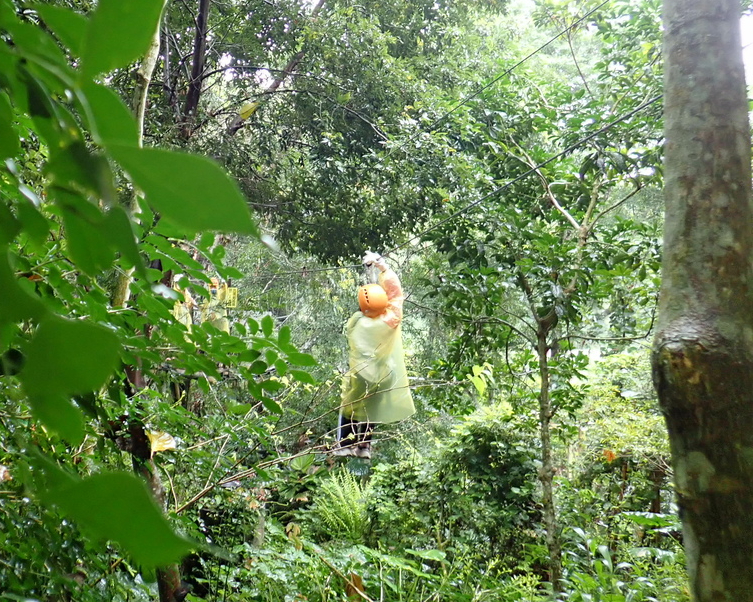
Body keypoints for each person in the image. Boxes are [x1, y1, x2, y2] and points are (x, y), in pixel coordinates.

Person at [333, 251, 415, 458]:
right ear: (383, 304)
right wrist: (382, 266)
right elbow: (396, 296)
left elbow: (365, 310)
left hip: (361, 374)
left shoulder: (357, 323)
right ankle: (364, 446)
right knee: (372, 406)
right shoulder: (391, 319)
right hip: (383, 375)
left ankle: (345, 443)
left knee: (350, 405)